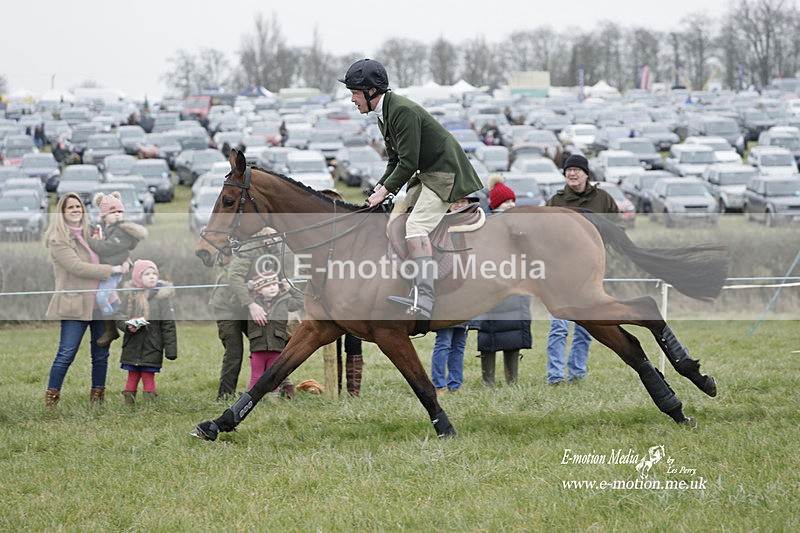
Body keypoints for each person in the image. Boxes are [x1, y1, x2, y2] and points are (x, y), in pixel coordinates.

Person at [343, 58, 483, 319]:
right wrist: (380, 188)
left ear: (371, 91)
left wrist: (386, 191)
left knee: (415, 227)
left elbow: (408, 162)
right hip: (426, 173)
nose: (352, 100)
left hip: (444, 173)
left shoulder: (401, 111)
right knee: (396, 220)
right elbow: (395, 160)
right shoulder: (384, 114)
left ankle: (425, 298)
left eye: (354, 93)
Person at [44, 192, 129, 407]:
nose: (75, 210)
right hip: (74, 304)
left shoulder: (93, 232)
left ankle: (97, 398)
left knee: (101, 353)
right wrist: (112, 269)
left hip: (101, 304)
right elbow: (77, 267)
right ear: (62, 212)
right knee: (66, 352)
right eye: (70, 207)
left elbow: (111, 250)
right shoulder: (58, 239)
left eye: (78, 206)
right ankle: (52, 399)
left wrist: (125, 260)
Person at [545, 154, 620, 386]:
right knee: (559, 326)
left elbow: (617, 227)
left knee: (587, 327)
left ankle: (577, 374)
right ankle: (556, 377)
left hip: (590, 273)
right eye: (568, 170)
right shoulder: (556, 201)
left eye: (577, 169)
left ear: (586, 173)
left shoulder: (603, 199)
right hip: (560, 273)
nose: (572, 173)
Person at [471, 183, 531, 386]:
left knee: (514, 338)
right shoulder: (486, 227)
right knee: (488, 339)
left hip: (515, 290)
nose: (511, 205)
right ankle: (488, 382)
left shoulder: (520, 229)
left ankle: (512, 381)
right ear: (496, 205)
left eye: (513, 201)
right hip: (492, 290)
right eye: (506, 202)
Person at [429, 194, 479, 395]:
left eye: (464, 202)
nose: (460, 205)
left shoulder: (473, 228)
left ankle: (455, 384)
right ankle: (439, 384)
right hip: (446, 293)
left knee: (459, 343)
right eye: (456, 202)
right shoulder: (441, 228)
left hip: (465, 294)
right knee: (444, 342)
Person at [88, 191, 148, 347]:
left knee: (101, 298)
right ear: (103, 215)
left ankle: (112, 328)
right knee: (111, 300)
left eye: (120, 211)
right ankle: (126, 322)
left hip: (115, 272)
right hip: (107, 270)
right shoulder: (102, 229)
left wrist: (89, 241)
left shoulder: (122, 231)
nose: (117, 215)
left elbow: (106, 248)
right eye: (113, 212)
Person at [117, 260, 177, 404]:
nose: (152, 277)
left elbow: (168, 325)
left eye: (154, 274)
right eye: (147, 274)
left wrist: (171, 350)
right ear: (138, 278)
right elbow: (118, 316)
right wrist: (128, 326)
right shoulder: (130, 297)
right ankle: (128, 402)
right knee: (132, 374)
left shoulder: (162, 299)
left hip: (153, 345)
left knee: (147, 374)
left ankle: (149, 404)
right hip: (132, 344)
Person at [245, 270, 305, 397]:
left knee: (273, 377)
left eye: (274, 284)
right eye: (267, 286)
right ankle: (251, 399)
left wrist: (291, 288)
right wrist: (248, 290)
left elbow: (300, 302)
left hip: (277, 346)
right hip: (258, 347)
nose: (272, 288)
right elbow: (235, 302)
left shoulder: (285, 301)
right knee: (256, 375)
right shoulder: (252, 303)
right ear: (258, 290)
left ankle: (273, 399)